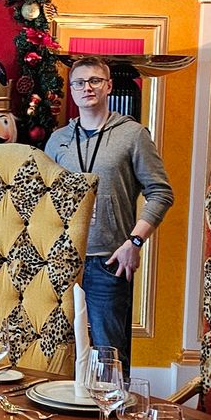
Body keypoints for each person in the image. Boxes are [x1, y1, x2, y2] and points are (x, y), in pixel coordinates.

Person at [43, 55, 174, 370]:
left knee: (108, 356)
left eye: (95, 80)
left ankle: (112, 404)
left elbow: (161, 192)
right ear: (71, 89)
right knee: (56, 352)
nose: (87, 88)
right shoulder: (58, 140)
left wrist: (135, 242)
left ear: (109, 86)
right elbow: (43, 198)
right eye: (79, 82)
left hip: (109, 261)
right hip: (61, 261)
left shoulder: (132, 135)